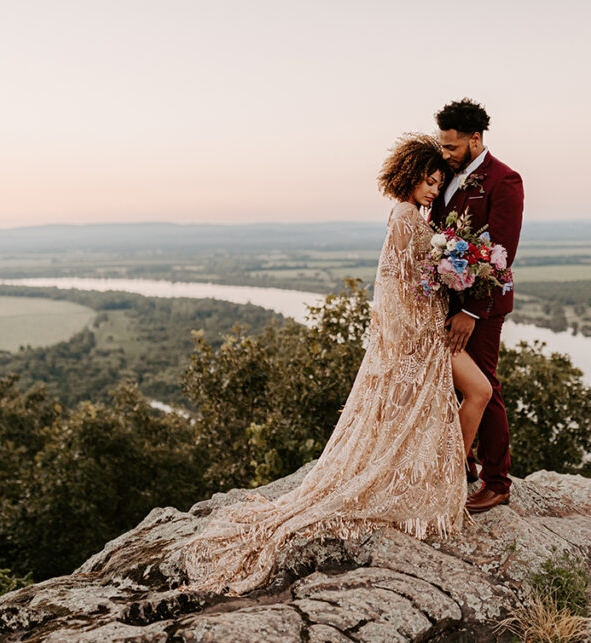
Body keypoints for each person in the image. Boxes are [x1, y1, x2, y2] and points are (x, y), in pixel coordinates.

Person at [179, 133, 493, 596]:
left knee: (475, 393)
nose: (432, 188)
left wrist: (457, 272)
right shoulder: (407, 218)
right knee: (474, 394)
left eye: (438, 181)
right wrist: (443, 294)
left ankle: (448, 474)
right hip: (422, 340)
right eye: (427, 180)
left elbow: (414, 282)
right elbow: (396, 289)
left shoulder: (411, 216)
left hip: (429, 335)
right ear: (410, 177)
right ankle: (447, 480)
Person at [429, 98, 524, 513]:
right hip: (445, 300)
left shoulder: (505, 180)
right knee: (453, 383)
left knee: (484, 385)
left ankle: (497, 480)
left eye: (451, 147)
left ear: (476, 139)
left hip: (481, 306)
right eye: (442, 145)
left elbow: (501, 254)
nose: (445, 153)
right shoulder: (444, 176)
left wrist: (470, 312)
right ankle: (464, 459)